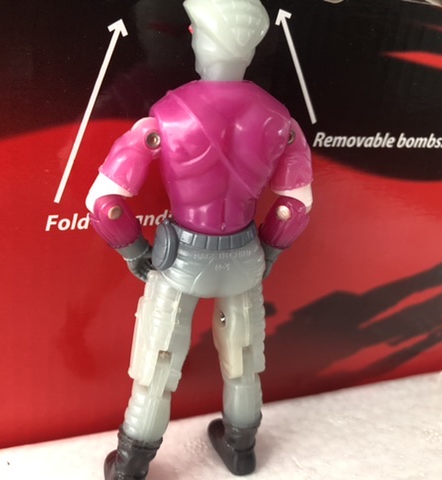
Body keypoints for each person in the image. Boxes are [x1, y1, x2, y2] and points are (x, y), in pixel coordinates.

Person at [85, 0, 313, 478]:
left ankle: (131, 464)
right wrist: (270, 252)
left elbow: (105, 204)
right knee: (244, 360)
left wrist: (134, 250)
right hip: (245, 255)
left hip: (179, 260)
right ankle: (242, 449)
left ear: (194, 36)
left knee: (157, 365)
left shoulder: (164, 116)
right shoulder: (280, 120)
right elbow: (295, 206)